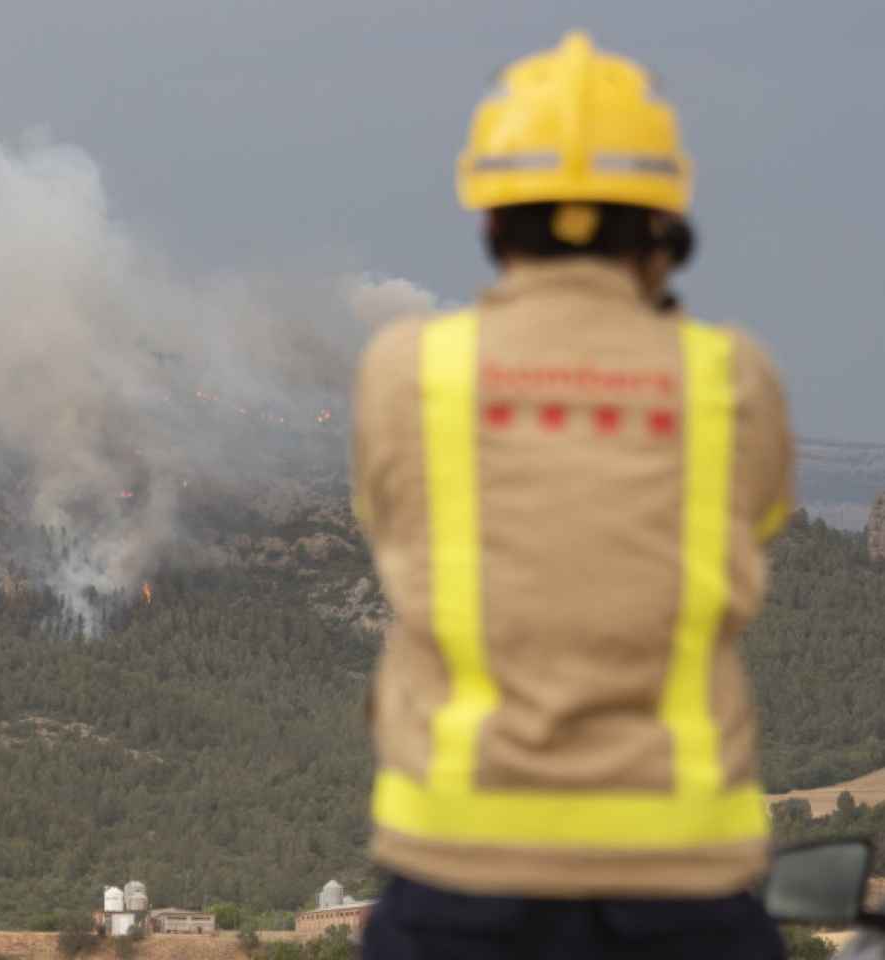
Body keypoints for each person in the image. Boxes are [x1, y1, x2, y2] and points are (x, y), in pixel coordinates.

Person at [349, 30, 794, 959]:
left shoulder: (409, 374)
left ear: (493, 222)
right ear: (663, 229)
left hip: (460, 875)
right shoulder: (731, 381)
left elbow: (390, 525)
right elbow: (757, 518)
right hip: (683, 884)